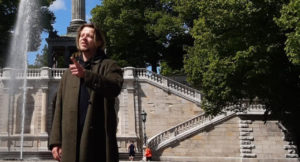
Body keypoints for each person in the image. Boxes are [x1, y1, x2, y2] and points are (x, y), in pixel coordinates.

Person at [49, 23, 123, 162]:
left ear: (99, 41)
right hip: (70, 143)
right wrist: (56, 142)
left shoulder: (109, 66)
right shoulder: (68, 74)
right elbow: (59, 108)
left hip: (98, 142)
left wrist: (86, 75)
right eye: (82, 35)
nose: (84, 38)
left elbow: (114, 88)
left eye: (89, 36)